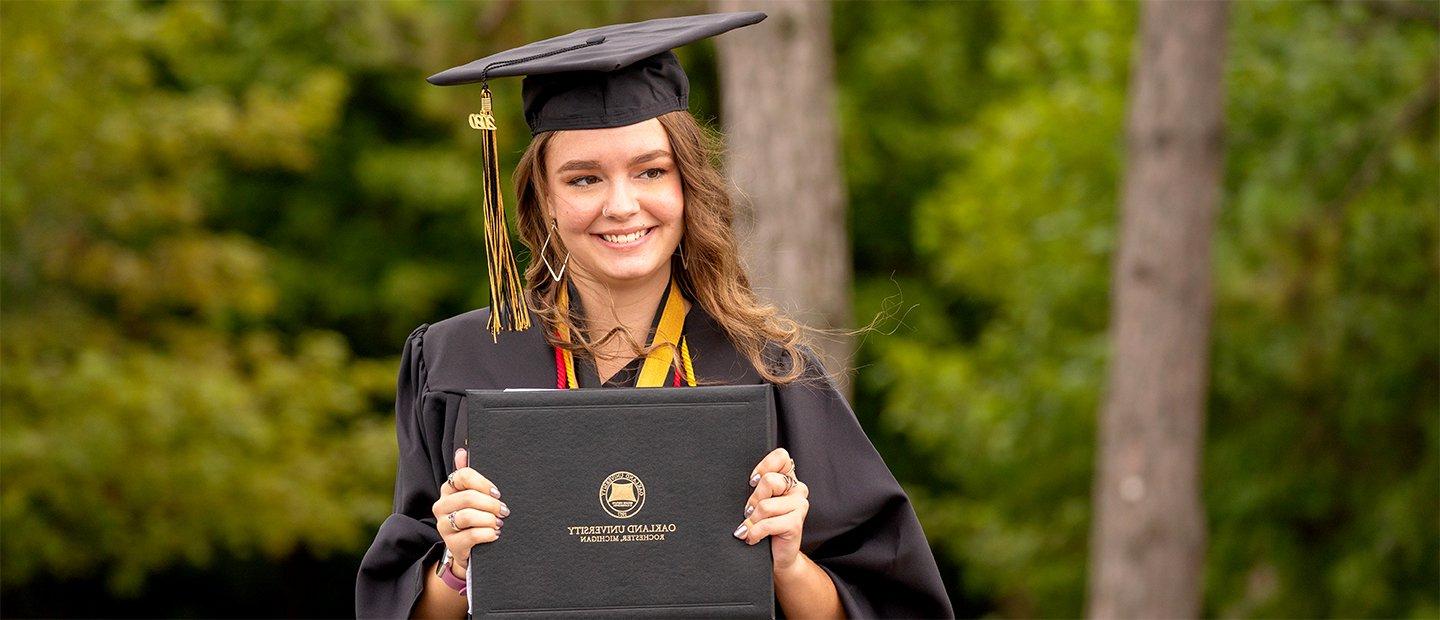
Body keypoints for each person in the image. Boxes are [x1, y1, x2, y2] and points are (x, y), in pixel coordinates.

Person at [356, 12, 953, 619]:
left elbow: (890, 605)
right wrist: (457, 569)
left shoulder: (769, 371)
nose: (622, 205)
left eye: (650, 171)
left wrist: (787, 563)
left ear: (687, 185)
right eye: (584, 178)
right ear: (544, 199)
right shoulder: (459, 362)